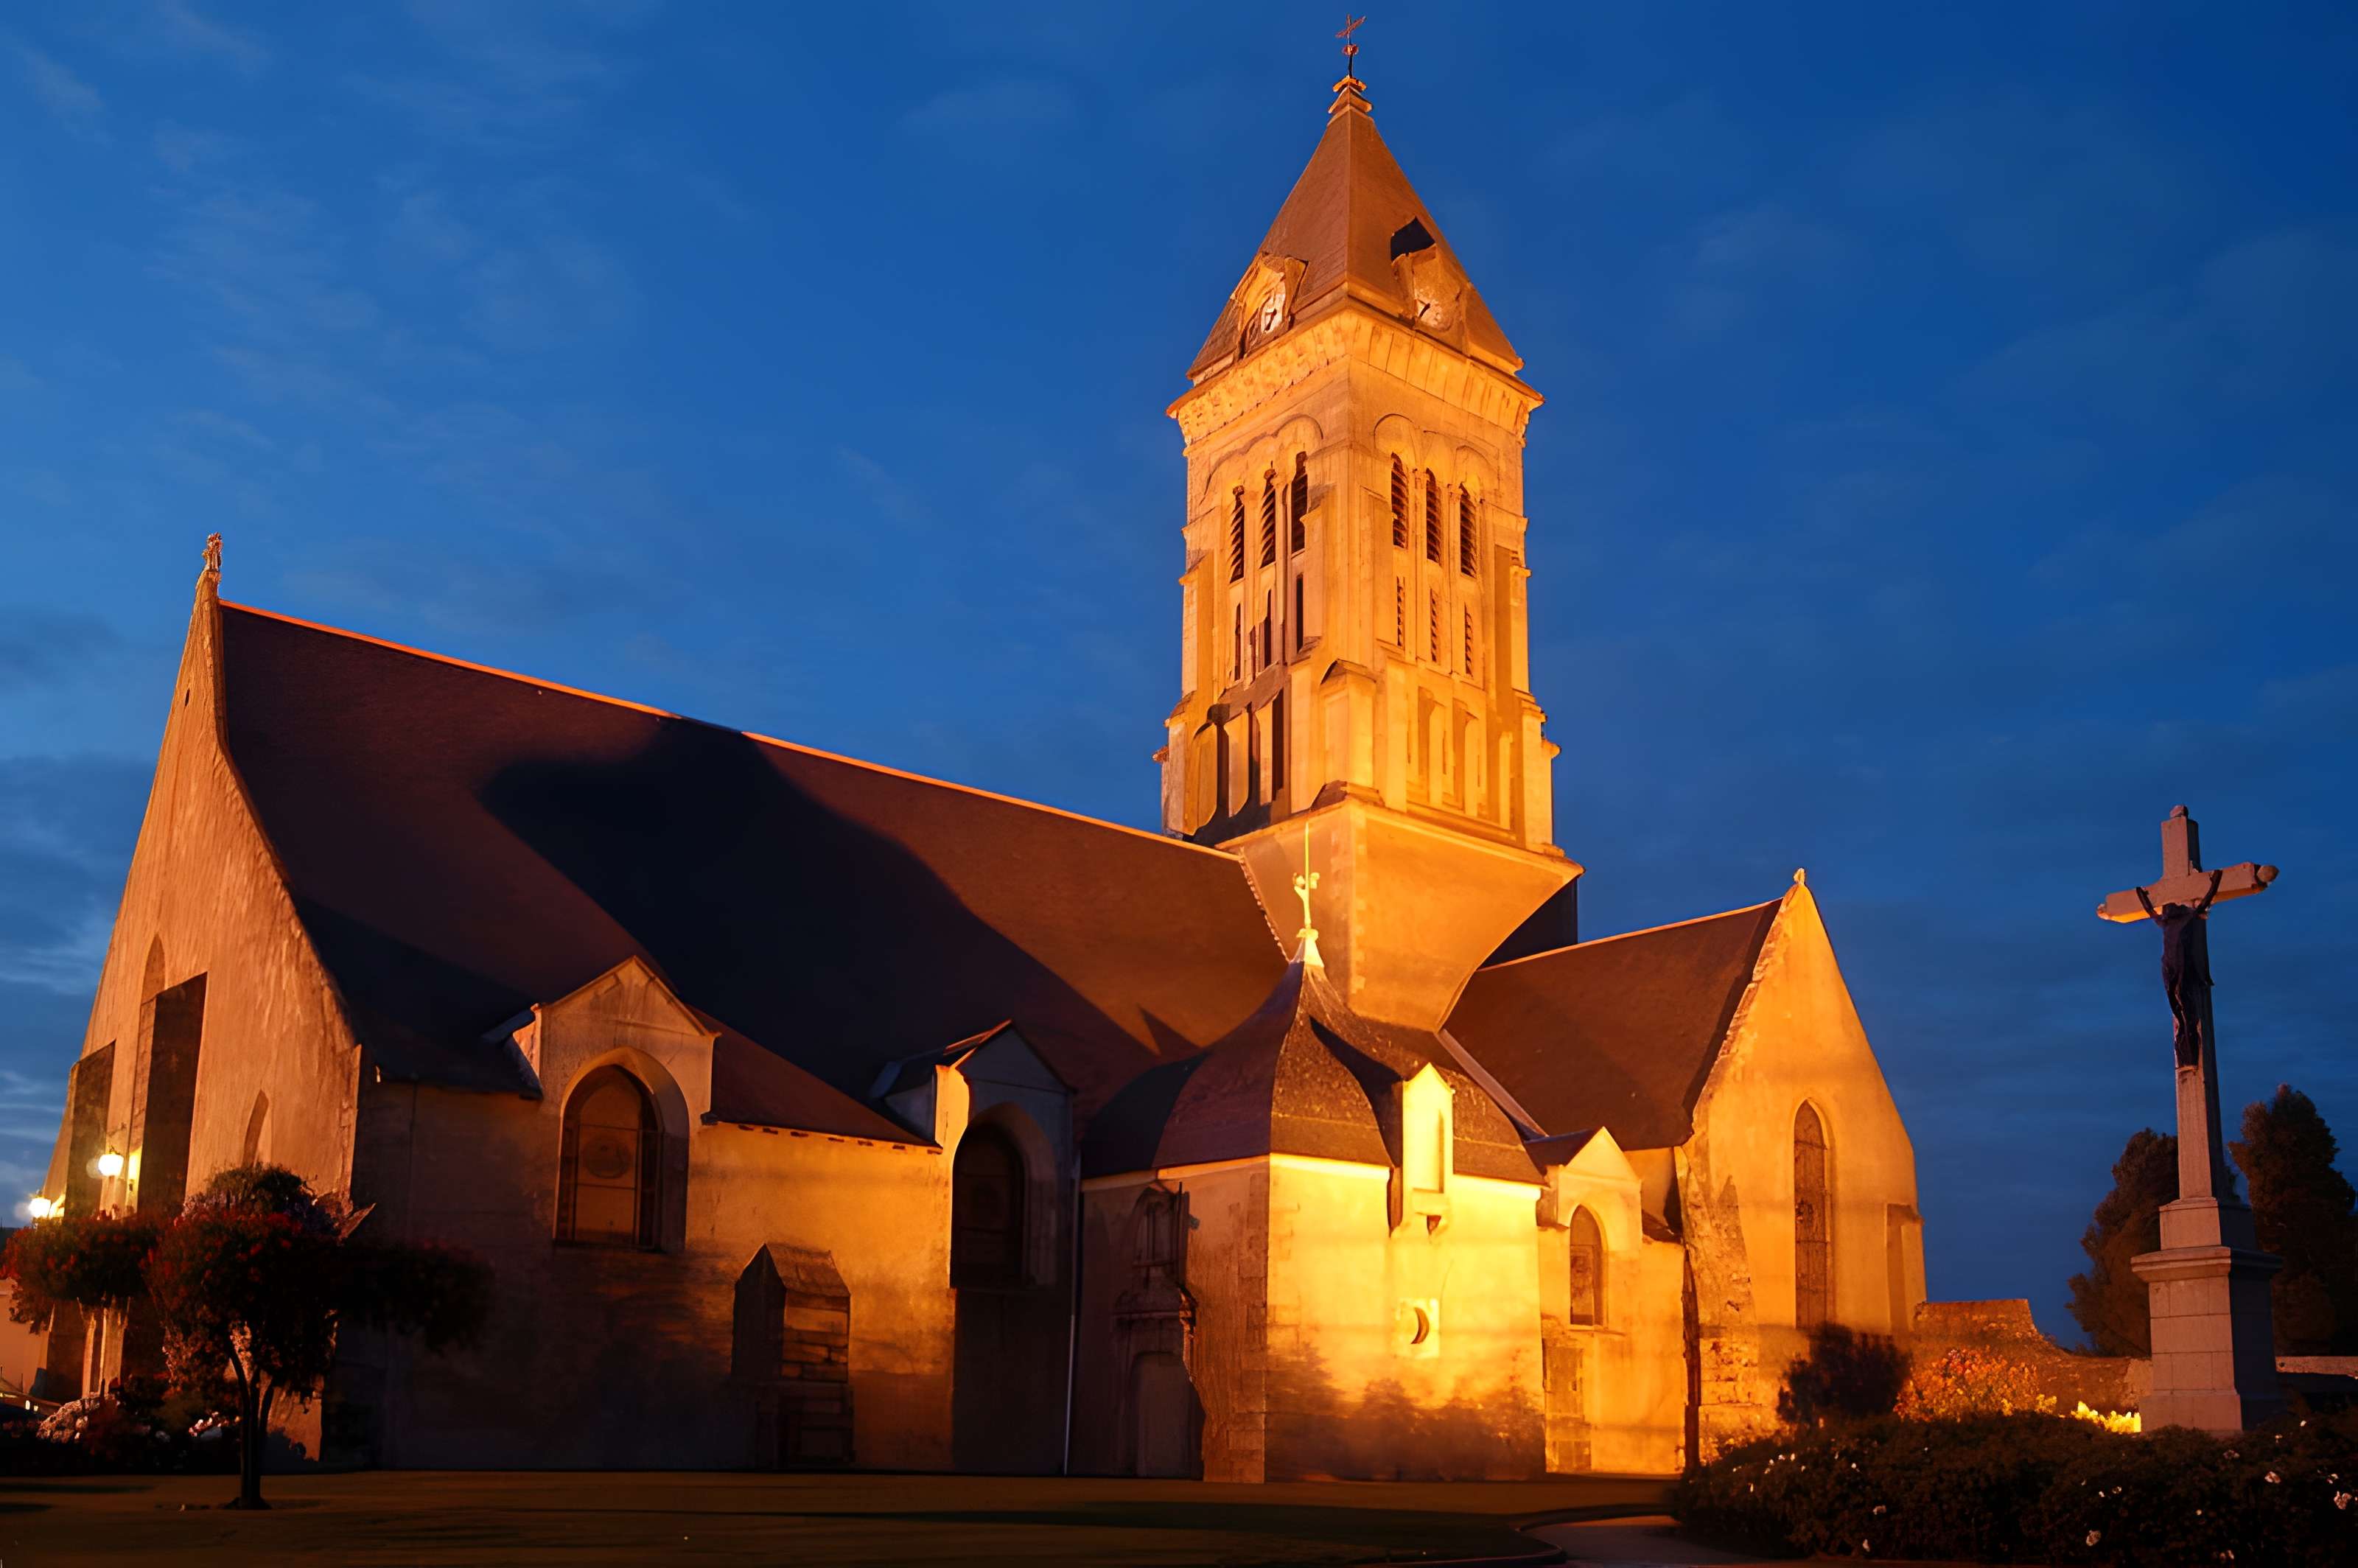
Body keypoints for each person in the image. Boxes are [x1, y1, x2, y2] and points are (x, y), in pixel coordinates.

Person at [2136, 869, 2223, 1070]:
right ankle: (2186, 1055)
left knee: (2184, 1010)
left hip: (2177, 967)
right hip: (2173, 968)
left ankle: (2190, 1056)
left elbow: (2150, 910)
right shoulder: (2174, 920)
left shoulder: (2180, 919)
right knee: (2180, 1009)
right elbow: (2205, 901)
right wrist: (2139, 894)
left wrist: (2217, 881)